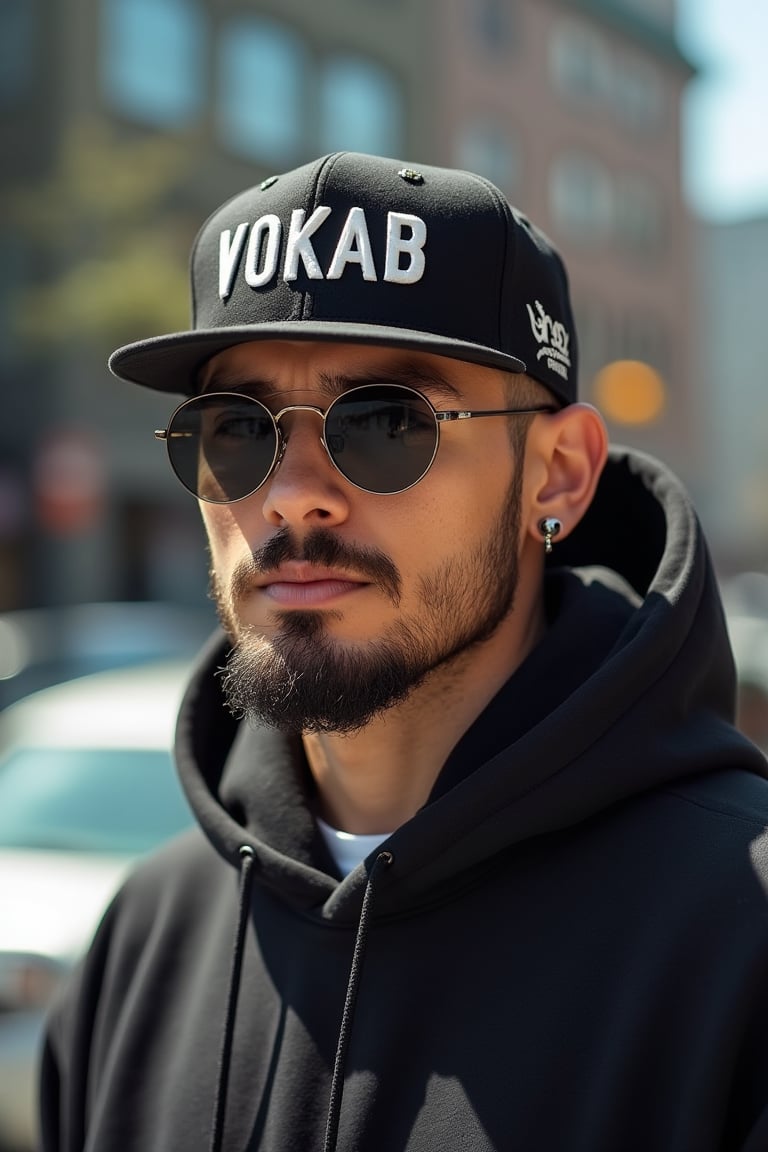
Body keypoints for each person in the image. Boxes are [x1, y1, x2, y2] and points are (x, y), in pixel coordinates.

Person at [40, 152, 768, 1152]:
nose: (292, 494)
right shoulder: (144, 942)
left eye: (386, 422)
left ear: (555, 477)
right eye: (234, 429)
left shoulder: (739, 937)